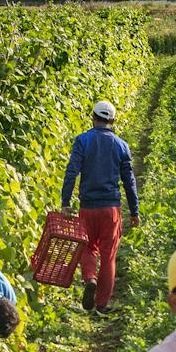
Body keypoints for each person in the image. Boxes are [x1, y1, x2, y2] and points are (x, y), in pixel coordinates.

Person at [61, 100, 140, 314]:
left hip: (88, 207)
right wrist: (134, 211)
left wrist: (66, 202)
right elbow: (129, 181)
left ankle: (89, 279)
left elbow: (71, 172)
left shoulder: (82, 141)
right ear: (112, 121)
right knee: (108, 255)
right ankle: (102, 304)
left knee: (87, 247)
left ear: (93, 117)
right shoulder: (121, 145)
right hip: (111, 208)